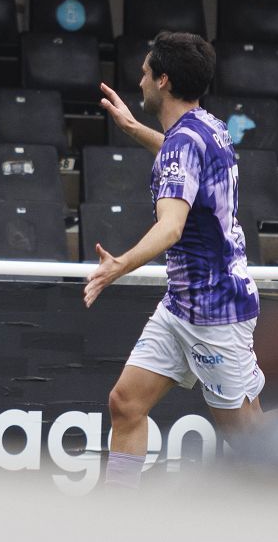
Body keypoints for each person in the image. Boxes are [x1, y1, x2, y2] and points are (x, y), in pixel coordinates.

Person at [85, 31, 264, 487]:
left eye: (145, 73)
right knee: (125, 403)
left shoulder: (185, 141)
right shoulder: (207, 126)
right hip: (181, 306)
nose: (140, 80)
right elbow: (178, 158)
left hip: (216, 314)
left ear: (163, 81)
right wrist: (131, 128)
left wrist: (120, 265)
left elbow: (171, 227)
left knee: (252, 443)